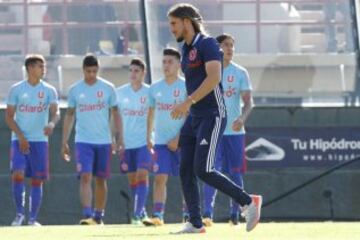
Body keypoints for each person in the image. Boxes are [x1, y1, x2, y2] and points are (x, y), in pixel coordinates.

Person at [167, 3, 262, 233]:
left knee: (203, 169)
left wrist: (187, 102)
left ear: (187, 22)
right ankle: (196, 222)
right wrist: (188, 110)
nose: (171, 29)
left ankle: (248, 202)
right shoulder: (185, 49)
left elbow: (213, 78)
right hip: (195, 116)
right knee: (185, 169)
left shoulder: (208, 44)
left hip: (213, 114)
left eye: (174, 23)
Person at [61, 54, 122, 225]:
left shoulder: (108, 88)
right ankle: (87, 215)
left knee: (101, 179)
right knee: (86, 176)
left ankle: (98, 215)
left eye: (94, 71)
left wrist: (118, 137)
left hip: (103, 141)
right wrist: (64, 140)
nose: (91, 75)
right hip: (83, 141)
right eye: (88, 71)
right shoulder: (75, 90)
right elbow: (69, 115)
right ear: (83, 70)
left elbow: (116, 112)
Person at [202, 33, 254, 227]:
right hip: (213, 131)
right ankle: (207, 214)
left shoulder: (240, 73)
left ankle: (236, 214)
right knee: (209, 171)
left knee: (235, 173)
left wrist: (242, 118)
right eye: (225, 45)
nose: (230, 48)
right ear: (217, 48)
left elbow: (249, 103)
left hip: (234, 133)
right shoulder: (208, 71)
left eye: (232, 45)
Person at [6, 54, 60, 226]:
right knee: (18, 174)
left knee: (37, 179)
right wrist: (21, 136)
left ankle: (33, 219)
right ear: (29, 68)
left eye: (43, 66)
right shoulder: (16, 89)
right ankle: (19, 214)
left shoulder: (49, 90)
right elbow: (8, 117)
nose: (43, 69)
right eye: (39, 66)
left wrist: (51, 123)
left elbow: (56, 112)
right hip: (19, 139)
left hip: (40, 141)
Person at [142, 48, 187, 226]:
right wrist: (149, 136)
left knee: (186, 178)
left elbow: (191, 114)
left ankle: (189, 214)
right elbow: (151, 114)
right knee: (160, 177)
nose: (166, 65)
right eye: (164, 62)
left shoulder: (186, 86)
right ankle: (158, 215)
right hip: (160, 142)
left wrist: (179, 138)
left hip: (182, 142)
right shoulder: (155, 88)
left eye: (170, 62)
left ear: (179, 65)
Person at [116, 58, 151, 225]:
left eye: (136, 71)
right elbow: (114, 117)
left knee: (142, 174)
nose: (133, 74)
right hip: (126, 144)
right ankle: (142, 211)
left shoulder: (150, 92)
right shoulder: (120, 92)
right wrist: (114, 139)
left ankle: (136, 215)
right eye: (131, 70)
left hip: (145, 142)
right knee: (132, 180)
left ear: (143, 73)